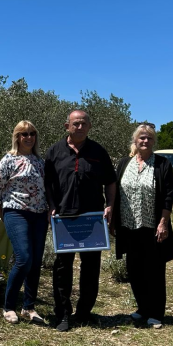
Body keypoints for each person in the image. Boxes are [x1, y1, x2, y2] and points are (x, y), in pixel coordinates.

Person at [44, 109, 117, 332]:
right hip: (64, 220)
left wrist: (110, 205)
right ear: (67, 126)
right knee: (62, 268)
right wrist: (51, 207)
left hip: (92, 220)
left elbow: (111, 182)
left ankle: (84, 312)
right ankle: (63, 314)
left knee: (91, 267)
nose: (80, 127)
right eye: (76, 123)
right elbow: (47, 184)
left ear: (89, 126)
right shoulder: (54, 152)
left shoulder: (98, 152)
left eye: (84, 123)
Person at [113, 124, 173, 328]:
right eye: (142, 138)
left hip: (152, 226)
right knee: (133, 269)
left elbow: (168, 196)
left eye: (149, 138)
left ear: (154, 141)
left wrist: (163, 222)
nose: (145, 141)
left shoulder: (162, 164)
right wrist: (113, 221)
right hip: (128, 226)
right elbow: (116, 193)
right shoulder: (124, 163)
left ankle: (156, 313)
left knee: (155, 270)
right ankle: (142, 308)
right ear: (135, 140)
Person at [0, 120, 49, 325]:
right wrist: (5, 216)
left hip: (39, 215)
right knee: (23, 258)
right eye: (24, 134)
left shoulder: (40, 161)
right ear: (17, 137)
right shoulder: (8, 160)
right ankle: (9, 306)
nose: (29, 137)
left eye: (32, 133)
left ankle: (29, 307)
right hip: (15, 213)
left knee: (35, 261)